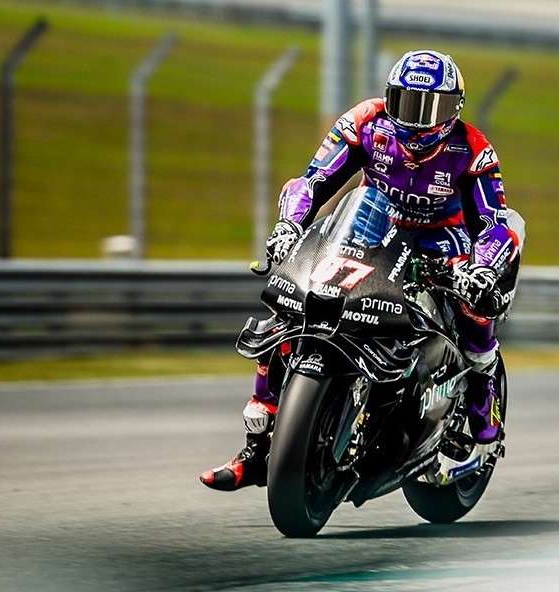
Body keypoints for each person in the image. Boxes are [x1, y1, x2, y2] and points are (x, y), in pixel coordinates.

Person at [201, 49, 521, 492]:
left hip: (443, 240)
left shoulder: (473, 151)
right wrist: (289, 225)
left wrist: (480, 271)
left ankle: (483, 416)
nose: (417, 118)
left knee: (474, 310)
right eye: (407, 102)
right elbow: (312, 181)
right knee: (294, 302)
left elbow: (493, 225)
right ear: (389, 97)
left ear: (454, 109)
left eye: (431, 107)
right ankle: (257, 444)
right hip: (372, 224)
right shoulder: (365, 123)